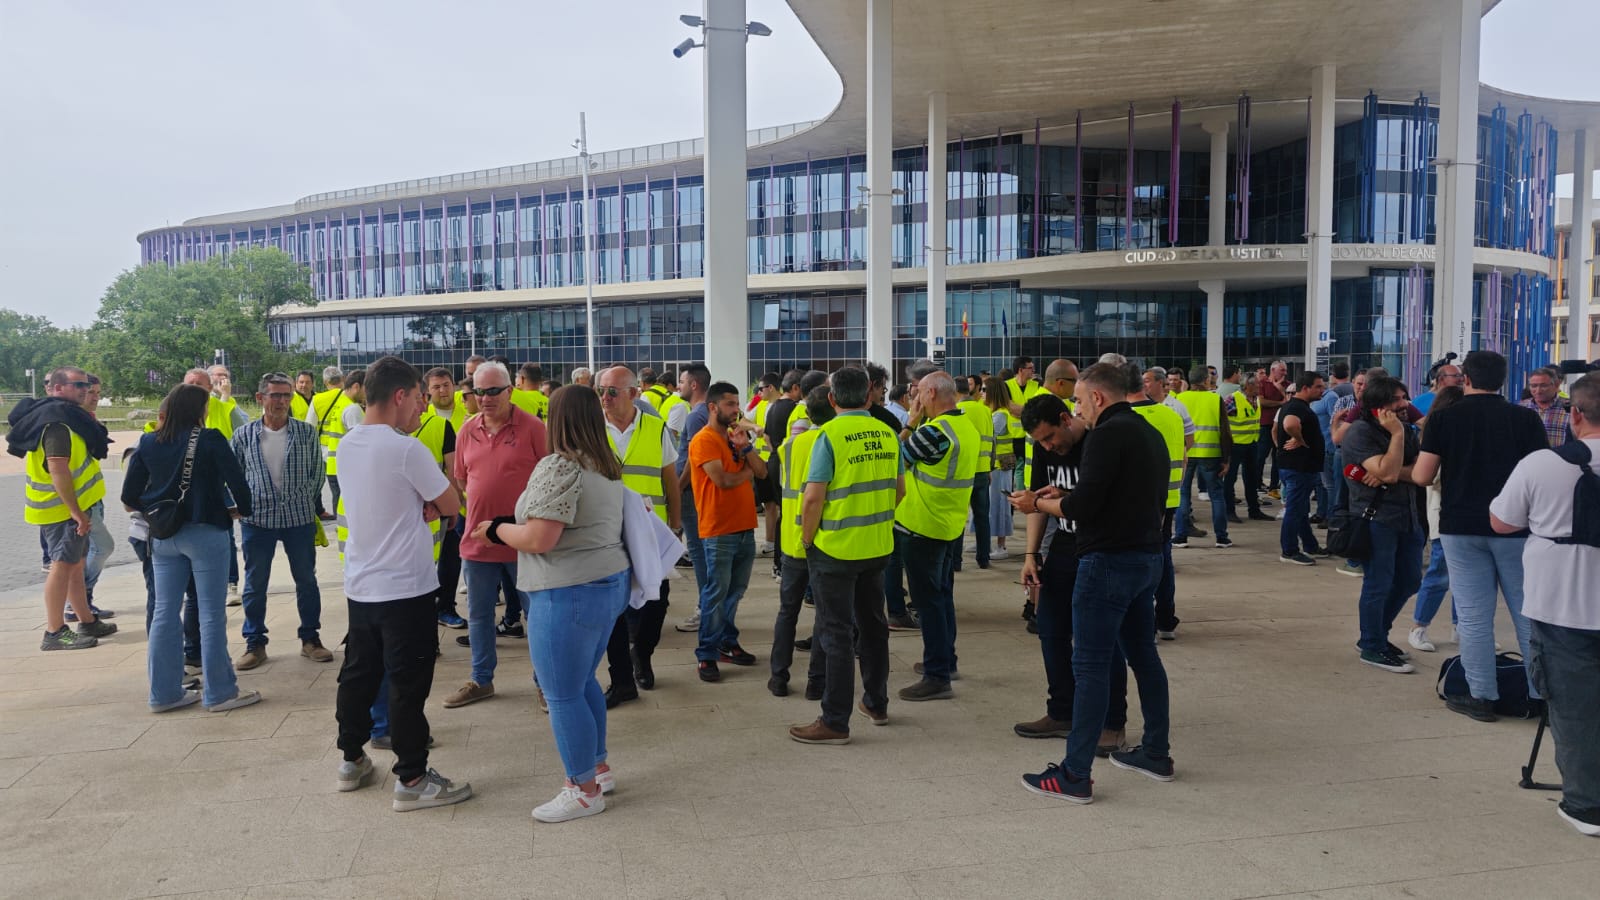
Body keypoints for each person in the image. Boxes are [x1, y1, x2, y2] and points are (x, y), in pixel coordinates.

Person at [475, 385, 629, 822]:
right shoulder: (606, 464)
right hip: (605, 583)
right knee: (582, 683)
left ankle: (581, 789)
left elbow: (541, 538)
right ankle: (597, 768)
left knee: (561, 692)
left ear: (556, 420)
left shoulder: (560, 465)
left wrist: (496, 530)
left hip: (566, 589)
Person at [1022, 363, 1172, 804]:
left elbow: (1084, 507)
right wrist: (1062, 499)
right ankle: (1156, 753)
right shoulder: (1149, 432)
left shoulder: (1106, 434)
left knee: (1088, 666)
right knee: (1144, 656)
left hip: (1107, 562)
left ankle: (1074, 773)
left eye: (1080, 400)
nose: (1078, 407)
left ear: (1098, 398)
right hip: (1147, 558)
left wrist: (1039, 503)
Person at [331, 356, 471, 812]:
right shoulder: (406, 449)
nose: (421, 407)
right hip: (406, 587)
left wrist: (425, 502)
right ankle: (411, 777)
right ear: (399, 396)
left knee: (359, 672)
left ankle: (351, 758)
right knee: (408, 682)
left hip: (362, 583)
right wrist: (433, 502)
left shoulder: (350, 444)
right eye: (417, 397)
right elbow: (450, 501)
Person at [1489, 373, 1600, 837]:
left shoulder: (1542, 463)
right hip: (1565, 603)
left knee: (1574, 707)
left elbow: (1501, 521)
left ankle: (1586, 806)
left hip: (1563, 603)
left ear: (1573, 414)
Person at [1411, 349, 1548, 722]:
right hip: (1516, 527)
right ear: (1503, 380)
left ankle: (1481, 696)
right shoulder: (1526, 419)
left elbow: (1422, 476)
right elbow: (1541, 473)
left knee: (1473, 616)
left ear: (1466, 379)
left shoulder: (1443, 420)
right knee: (1527, 614)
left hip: (1461, 527)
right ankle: (1539, 696)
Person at [786, 367, 904, 744]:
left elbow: (813, 497)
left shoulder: (829, 435)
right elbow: (899, 490)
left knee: (835, 633)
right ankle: (876, 703)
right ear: (870, 396)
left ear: (832, 399)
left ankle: (835, 720)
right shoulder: (888, 433)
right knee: (873, 628)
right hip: (877, 547)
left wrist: (808, 539)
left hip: (835, 550)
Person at [124, 383, 258, 712]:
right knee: (211, 615)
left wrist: (158, 506)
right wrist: (243, 508)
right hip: (206, 531)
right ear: (199, 410)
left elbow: (129, 497)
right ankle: (220, 693)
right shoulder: (210, 438)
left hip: (164, 536)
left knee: (164, 613)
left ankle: (164, 694)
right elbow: (238, 481)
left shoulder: (148, 441)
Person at [1012, 393, 1117, 741]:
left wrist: (1042, 501)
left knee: (1101, 641)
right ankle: (1062, 712)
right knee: (1050, 629)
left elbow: (1079, 505)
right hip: (1064, 547)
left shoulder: (1097, 443)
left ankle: (1111, 723)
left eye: (1050, 437)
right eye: (1039, 441)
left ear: (1064, 418)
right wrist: (1031, 556)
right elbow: (1037, 504)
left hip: (1100, 549)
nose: (1047, 445)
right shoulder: (1043, 448)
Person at [445, 361, 547, 709]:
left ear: (510, 391)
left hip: (524, 541)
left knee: (538, 616)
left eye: (492, 391)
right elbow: (461, 480)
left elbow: (550, 479)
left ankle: (545, 682)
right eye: (478, 391)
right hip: (477, 541)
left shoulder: (534, 428)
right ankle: (481, 679)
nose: (485, 398)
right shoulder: (466, 430)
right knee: (478, 615)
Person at [10, 366, 118, 651]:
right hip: (61, 510)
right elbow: (58, 468)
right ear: (57, 388)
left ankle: (86, 619)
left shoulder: (67, 417)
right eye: (78, 385)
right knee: (62, 566)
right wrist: (76, 512)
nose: (85, 389)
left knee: (75, 565)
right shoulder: (57, 423)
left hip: (70, 508)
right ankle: (55, 630)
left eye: (86, 385)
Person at [231, 373, 330, 670]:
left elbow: (317, 473)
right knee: (255, 583)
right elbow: (234, 476)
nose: (282, 401)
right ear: (261, 398)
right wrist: (239, 506)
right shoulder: (244, 435)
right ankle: (255, 643)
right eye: (275, 395)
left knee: (307, 580)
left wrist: (303, 500)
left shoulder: (305, 433)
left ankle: (311, 639)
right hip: (257, 520)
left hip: (298, 518)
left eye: (286, 395)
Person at [597, 366, 680, 704]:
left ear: (633, 394)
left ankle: (642, 655)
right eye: (600, 390)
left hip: (650, 531)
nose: (604, 397)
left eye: (612, 391)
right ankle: (622, 678)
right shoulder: (592, 428)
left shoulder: (656, 428)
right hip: (608, 533)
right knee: (616, 607)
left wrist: (675, 525)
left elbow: (670, 480)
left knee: (656, 602)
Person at [896, 371, 980, 701]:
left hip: (923, 527)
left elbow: (895, 460)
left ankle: (937, 674)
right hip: (948, 524)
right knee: (942, 597)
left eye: (917, 392)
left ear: (931, 393)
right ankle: (946, 660)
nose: (913, 398)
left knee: (928, 602)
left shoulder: (934, 432)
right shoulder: (964, 426)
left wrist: (910, 422)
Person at [1341, 376, 1424, 674]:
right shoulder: (1361, 433)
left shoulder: (1405, 427)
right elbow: (1388, 474)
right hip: (1377, 519)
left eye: (1405, 397)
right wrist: (1398, 437)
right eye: (1397, 400)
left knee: (1410, 579)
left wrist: (1390, 470)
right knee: (1378, 583)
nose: (1405, 405)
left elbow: (1419, 472)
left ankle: (1375, 634)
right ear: (1379, 406)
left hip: (1409, 515)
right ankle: (1372, 645)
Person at [688, 381, 768, 681]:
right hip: (718, 528)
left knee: (735, 591)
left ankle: (726, 642)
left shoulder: (739, 436)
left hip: (745, 525)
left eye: (738, 404)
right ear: (713, 407)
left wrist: (745, 447)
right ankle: (707, 654)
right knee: (716, 592)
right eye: (730, 404)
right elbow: (723, 481)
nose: (737, 410)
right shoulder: (704, 440)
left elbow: (763, 472)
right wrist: (747, 469)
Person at [770, 385, 834, 699]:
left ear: (807, 414)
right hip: (823, 541)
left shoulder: (789, 446)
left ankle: (778, 677)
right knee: (824, 613)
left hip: (792, 541)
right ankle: (816, 682)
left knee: (787, 611)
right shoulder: (832, 442)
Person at [1126, 365, 1188, 641]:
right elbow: (1184, 456)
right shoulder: (1170, 415)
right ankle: (1165, 619)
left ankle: (1145, 623)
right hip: (1171, 497)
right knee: (1163, 559)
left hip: (1138, 503)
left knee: (1140, 562)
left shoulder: (1127, 419)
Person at [1408, 385, 1464, 652]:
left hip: (1465, 515)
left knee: (1465, 577)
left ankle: (1461, 627)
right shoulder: (1436, 433)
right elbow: (1430, 477)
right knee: (1439, 573)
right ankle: (1419, 626)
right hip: (1442, 514)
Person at [422, 367, 468, 629]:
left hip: (463, 498)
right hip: (429, 502)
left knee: (453, 558)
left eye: (447, 385)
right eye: (436, 386)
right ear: (428, 391)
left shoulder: (469, 413)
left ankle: (447, 607)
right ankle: (427, 611)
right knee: (426, 561)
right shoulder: (419, 416)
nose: (443, 390)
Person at [671, 364, 713, 634]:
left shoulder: (697, 415)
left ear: (694, 385)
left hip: (689, 492)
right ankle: (709, 606)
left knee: (699, 552)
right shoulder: (702, 411)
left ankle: (705, 608)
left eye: (682, 381)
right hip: (692, 491)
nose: (678, 386)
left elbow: (694, 459)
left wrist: (677, 487)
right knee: (700, 552)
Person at [1173, 367, 1232, 549]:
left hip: (1185, 453)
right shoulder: (1215, 399)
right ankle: (1221, 537)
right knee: (1216, 495)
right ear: (1206, 380)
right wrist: (1226, 458)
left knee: (1182, 494)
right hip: (1211, 454)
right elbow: (1225, 431)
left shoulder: (1179, 399)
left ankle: (1181, 536)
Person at [1275, 371, 1328, 565]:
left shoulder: (1295, 406)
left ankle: (1310, 545)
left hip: (1299, 467)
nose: (1322, 390)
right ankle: (1289, 550)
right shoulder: (1297, 407)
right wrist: (1299, 439)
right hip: (1298, 467)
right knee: (1295, 510)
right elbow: (1290, 424)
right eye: (1318, 386)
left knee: (1301, 508)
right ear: (1305, 388)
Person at [956, 374, 996, 569]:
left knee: (958, 518)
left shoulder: (957, 411)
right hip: (982, 470)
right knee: (982, 517)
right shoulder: (985, 411)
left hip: (963, 472)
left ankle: (955, 561)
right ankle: (984, 558)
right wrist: (989, 467)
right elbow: (992, 441)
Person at [307, 365, 355, 516]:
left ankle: (336, 521)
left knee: (332, 489)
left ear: (325, 382)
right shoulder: (350, 398)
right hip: (346, 451)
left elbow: (310, 427)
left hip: (324, 452)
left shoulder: (317, 399)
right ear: (342, 379)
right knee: (346, 490)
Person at [1224, 375, 1272, 522]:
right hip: (1236, 445)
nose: (1260, 387)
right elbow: (1222, 419)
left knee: (1251, 478)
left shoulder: (1255, 399)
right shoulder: (1232, 399)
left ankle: (1254, 510)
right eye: (1257, 384)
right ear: (1248, 386)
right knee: (1230, 479)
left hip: (1252, 443)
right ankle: (1229, 511)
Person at [983, 375, 1017, 562]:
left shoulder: (1000, 415)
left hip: (1000, 467)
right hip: (994, 466)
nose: (981, 394)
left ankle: (1001, 545)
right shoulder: (995, 413)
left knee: (999, 505)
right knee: (989, 505)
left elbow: (987, 435)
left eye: (984, 390)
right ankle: (986, 541)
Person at [1259, 360, 1290, 497]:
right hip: (1265, 425)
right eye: (1282, 370)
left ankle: (1273, 487)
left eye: (1285, 370)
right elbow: (1261, 401)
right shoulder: (1262, 384)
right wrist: (1279, 403)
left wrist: (1281, 390)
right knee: (1260, 456)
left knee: (1278, 456)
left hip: (1281, 426)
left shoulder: (1288, 385)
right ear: (1273, 370)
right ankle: (1257, 483)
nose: (1285, 373)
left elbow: (1290, 402)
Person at [1520, 366, 1573, 448]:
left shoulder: (1570, 408)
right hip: (1529, 459)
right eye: (1534, 386)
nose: (1538, 390)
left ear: (1556, 386)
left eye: (1543, 386)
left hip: (1560, 459)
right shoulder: (1521, 408)